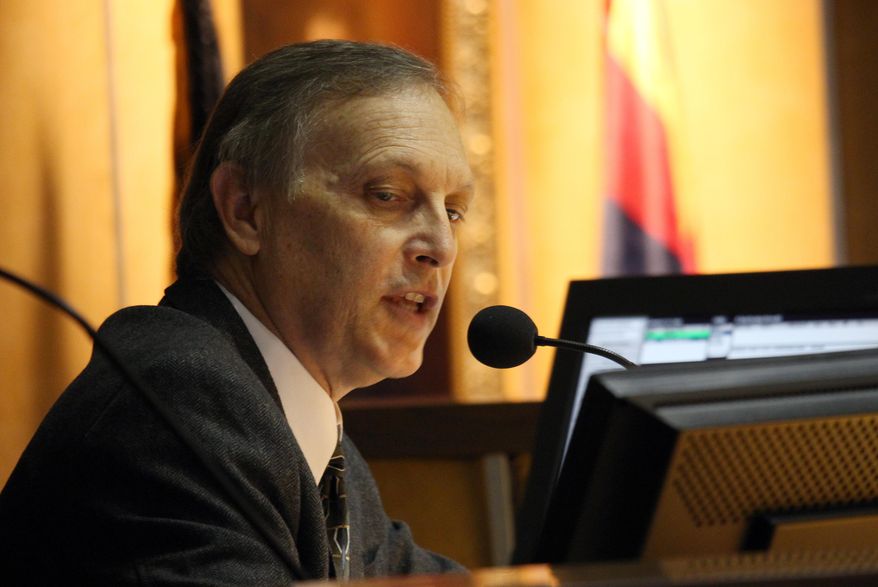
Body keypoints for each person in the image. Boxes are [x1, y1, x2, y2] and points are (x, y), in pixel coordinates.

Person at [0, 40, 475, 585]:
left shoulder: (310, 439)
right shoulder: (179, 405)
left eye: (455, 210)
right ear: (246, 211)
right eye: (387, 195)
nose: (439, 245)